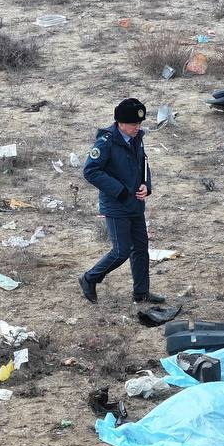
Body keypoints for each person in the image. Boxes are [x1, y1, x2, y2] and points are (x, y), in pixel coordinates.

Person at [79, 97, 165, 304]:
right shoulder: (106, 142)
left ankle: (141, 293)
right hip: (116, 205)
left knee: (141, 250)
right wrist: (120, 191)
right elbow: (90, 171)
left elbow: (143, 164)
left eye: (139, 124)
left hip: (136, 204)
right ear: (120, 123)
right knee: (121, 251)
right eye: (134, 124)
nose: (138, 127)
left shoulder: (137, 138)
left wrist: (146, 185)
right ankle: (89, 278)